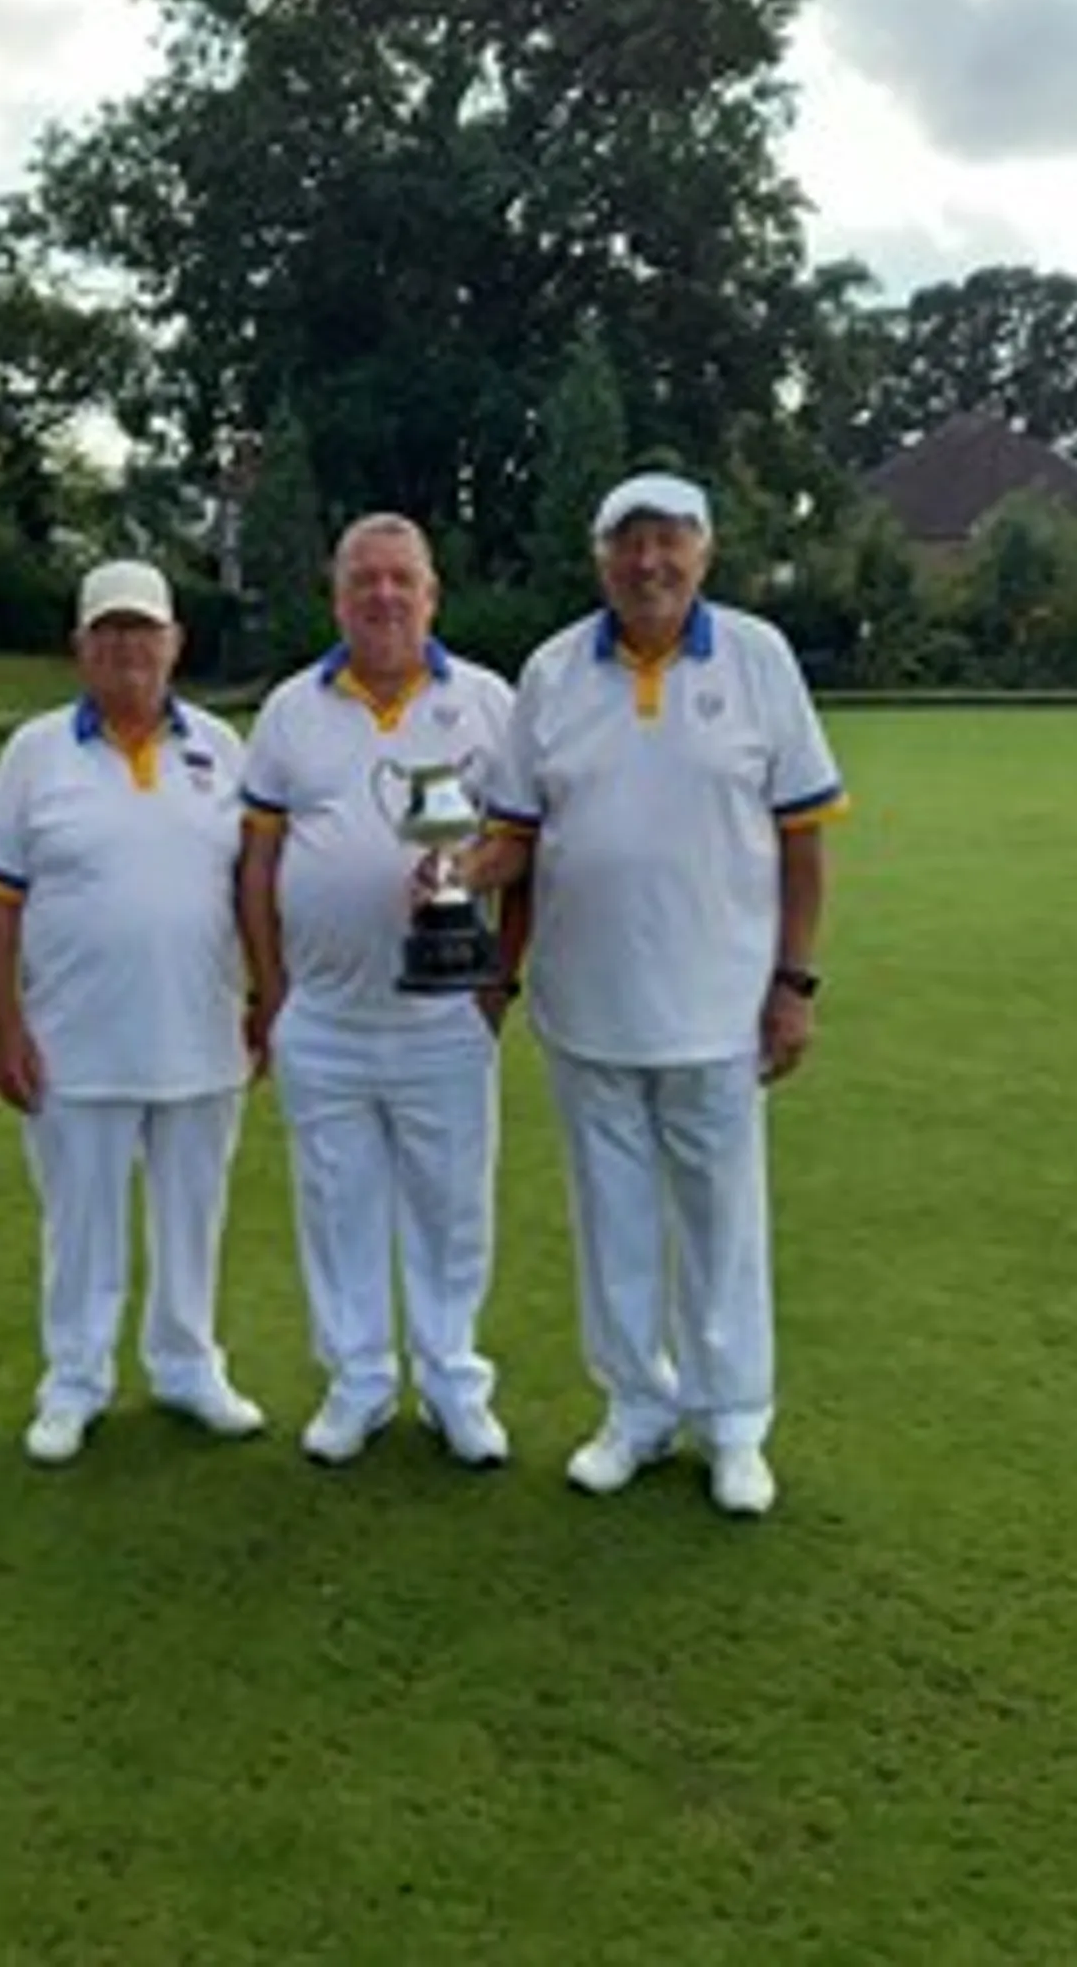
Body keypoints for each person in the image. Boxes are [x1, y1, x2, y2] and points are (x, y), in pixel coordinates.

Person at [460, 472, 849, 1517]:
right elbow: (515, 837)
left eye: (668, 541)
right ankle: (635, 1406)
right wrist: (454, 874)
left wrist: (793, 982)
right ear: (599, 558)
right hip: (585, 1008)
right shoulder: (550, 671)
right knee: (612, 1222)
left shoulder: (758, 658)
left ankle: (732, 1423)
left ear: (704, 552)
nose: (648, 563)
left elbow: (803, 841)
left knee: (720, 1222)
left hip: (717, 1009)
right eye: (627, 544)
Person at [239, 514, 519, 1468]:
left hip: (445, 1014)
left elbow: (525, 844)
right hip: (322, 1014)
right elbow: (258, 861)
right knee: (336, 1205)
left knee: (452, 1208)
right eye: (365, 580)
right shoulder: (289, 709)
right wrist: (271, 991)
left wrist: (497, 982)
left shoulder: (487, 700)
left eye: (403, 579)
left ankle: (452, 1384)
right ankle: (357, 1383)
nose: (384, 596)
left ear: (433, 592)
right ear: (338, 596)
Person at [0, 560, 265, 1465]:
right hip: (73, 1041)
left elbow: (255, 888)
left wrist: (267, 993)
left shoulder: (223, 747)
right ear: (80, 648)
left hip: (202, 1032)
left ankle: (186, 1365)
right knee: (79, 1222)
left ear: (175, 642)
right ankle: (75, 1381)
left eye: (144, 631)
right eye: (110, 633)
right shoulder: (32, 754)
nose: (128, 649)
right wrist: (4, 1031)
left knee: (194, 1214)